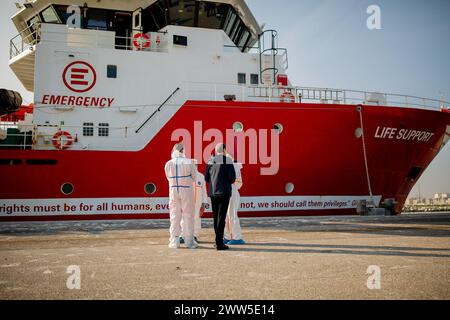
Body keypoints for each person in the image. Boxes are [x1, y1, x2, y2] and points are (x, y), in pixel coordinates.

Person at [164, 143, 198, 249]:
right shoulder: (189, 162)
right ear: (183, 150)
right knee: (188, 215)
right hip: (186, 190)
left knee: (174, 216)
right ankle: (189, 242)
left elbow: (168, 178)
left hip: (173, 190)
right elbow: (195, 177)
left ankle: (174, 241)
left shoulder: (168, 163)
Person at [205, 143, 236, 251]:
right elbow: (232, 178)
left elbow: (207, 178)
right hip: (224, 193)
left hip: (213, 193)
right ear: (224, 150)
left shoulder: (210, 160)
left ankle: (217, 241)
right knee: (221, 218)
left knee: (215, 217)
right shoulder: (227, 160)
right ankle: (219, 243)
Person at [180, 161, 208, 244]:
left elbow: (204, 191)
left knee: (196, 219)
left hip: (197, 204)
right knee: (184, 218)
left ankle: (195, 235)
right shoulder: (185, 176)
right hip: (187, 202)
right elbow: (182, 190)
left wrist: (204, 203)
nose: (194, 166)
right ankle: (183, 235)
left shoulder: (201, 176)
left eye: (195, 165)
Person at [224, 156, 246, 245]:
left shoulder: (234, 166)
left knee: (232, 215)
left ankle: (237, 237)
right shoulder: (229, 166)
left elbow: (238, 183)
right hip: (226, 192)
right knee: (226, 216)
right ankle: (228, 236)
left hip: (232, 193)